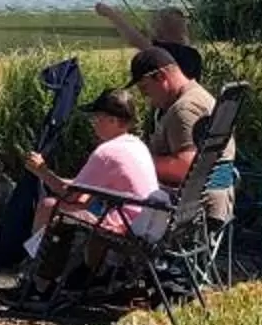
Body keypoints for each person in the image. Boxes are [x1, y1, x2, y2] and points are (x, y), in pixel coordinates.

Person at [20, 89, 158, 251]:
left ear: (113, 120)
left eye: (97, 117)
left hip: (124, 227)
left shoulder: (107, 152)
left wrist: (41, 171)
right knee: (74, 205)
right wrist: (53, 177)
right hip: (143, 223)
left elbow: (70, 194)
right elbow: (81, 188)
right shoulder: (136, 145)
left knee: (48, 205)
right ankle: (48, 260)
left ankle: (34, 261)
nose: (93, 122)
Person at [130, 44, 231, 226]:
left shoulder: (184, 109)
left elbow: (184, 167)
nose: (147, 98)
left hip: (187, 212)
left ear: (161, 77)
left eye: (146, 90)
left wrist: (138, 159)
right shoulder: (201, 96)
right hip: (213, 202)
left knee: (112, 206)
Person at [96, 1, 203, 83]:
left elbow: (135, 39)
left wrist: (110, 13)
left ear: (161, 31)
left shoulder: (164, 52)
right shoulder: (193, 55)